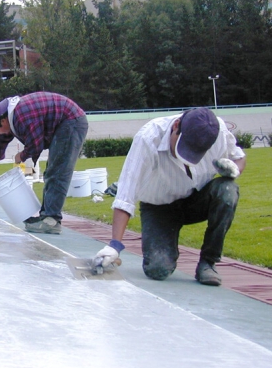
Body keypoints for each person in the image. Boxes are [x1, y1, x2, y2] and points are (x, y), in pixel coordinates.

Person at [93, 107, 246, 286]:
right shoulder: (148, 138)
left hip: (196, 200)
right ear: (176, 126)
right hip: (160, 206)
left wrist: (234, 169)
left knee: (227, 190)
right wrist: (115, 245)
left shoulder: (217, 131)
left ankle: (208, 262)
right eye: (183, 147)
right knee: (157, 270)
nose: (185, 158)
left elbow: (239, 157)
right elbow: (126, 193)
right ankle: (166, 250)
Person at [0, 92, 89, 234]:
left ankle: (51, 220)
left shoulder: (22, 115)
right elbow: (2, 137)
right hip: (64, 121)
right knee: (52, 172)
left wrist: (21, 156)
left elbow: (36, 145)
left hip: (71, 121)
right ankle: (46, 216)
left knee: (57, 172)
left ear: (3, 121)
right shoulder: (7, 114)